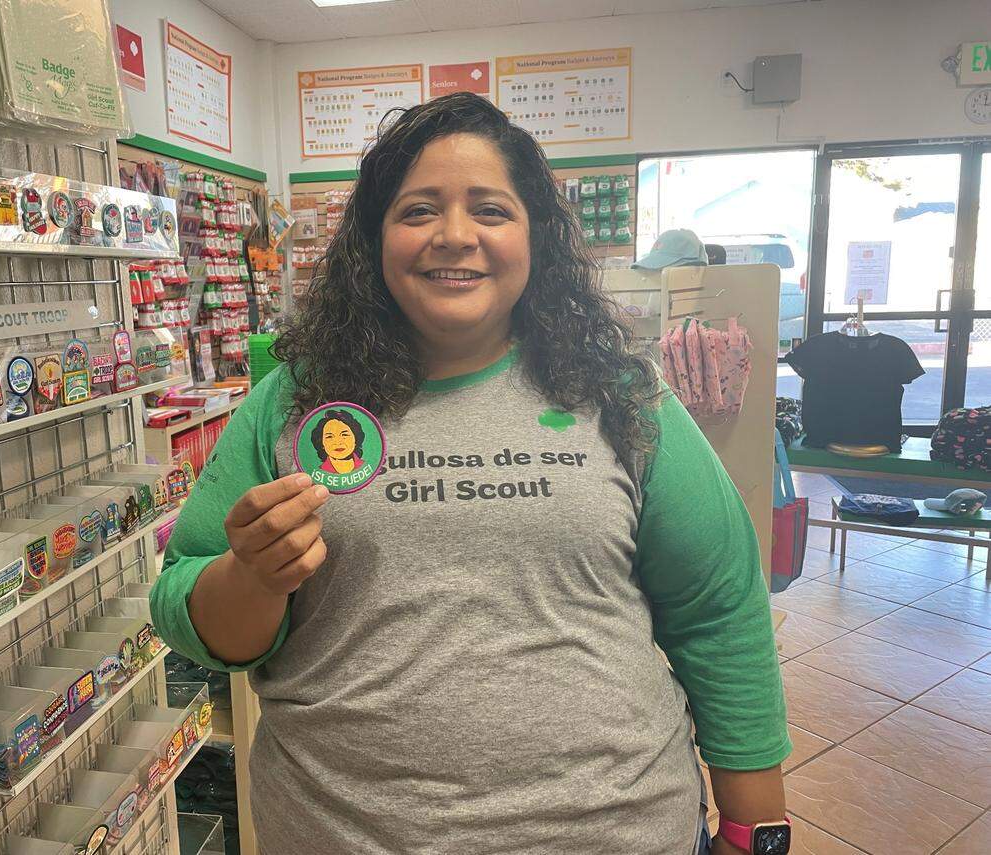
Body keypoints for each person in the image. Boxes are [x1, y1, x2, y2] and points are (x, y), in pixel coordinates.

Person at [152, 93, 791, 855]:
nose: (455, 235)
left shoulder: (622, 395)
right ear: (374, 238)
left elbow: (719, 611)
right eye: (419, 210)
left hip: (616, 827)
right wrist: (253, 576)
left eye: (490, 210)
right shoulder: (293, 401)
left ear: (535, 236)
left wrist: (754, 829)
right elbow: (188, 609)